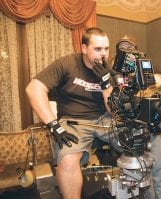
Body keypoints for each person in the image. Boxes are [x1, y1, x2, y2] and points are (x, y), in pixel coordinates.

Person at [25, 27, 113, 199]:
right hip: (74, 121)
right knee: (68, 159)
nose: (103, 54)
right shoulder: (67, 64)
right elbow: (33, 89)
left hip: (104, 119)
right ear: (84, 48)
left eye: (106, 49)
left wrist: (105, 83)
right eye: (97, 49)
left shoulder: (108, 70)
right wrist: (53, 125)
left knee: (140, 139)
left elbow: (113, 111)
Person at [113, 35, 161, 199]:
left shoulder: (150, 68)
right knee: (142, 176)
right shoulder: (115, 73)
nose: (126, 52)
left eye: (129, 49)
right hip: (133, 131)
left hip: (159, 131)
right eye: (122, 50)